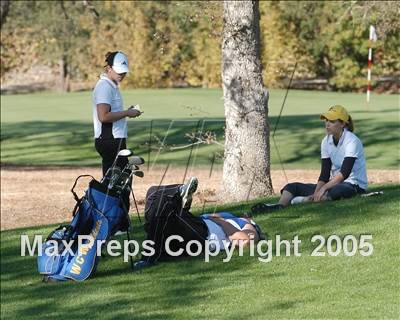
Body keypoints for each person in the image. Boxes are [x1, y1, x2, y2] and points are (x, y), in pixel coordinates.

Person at [252, 105, 368, 213]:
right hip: (332, 184)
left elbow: (344, 173)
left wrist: (324, 189)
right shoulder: (325, 141)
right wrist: (318, 190)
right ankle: (280, 206)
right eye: (326, 121)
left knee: (335, 192)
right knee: (291, 187)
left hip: (353, 185)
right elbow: (324, 174)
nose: (327, 124)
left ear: (342, 124)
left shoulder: (352, 141)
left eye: (332, 121)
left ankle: (300, 201)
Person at [134, 177, 265, 269]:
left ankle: (181, 194)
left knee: (160, 203)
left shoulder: (247, 223)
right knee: (154, 193)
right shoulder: (228, 216)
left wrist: (241, 221)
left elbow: (246, 241)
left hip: (204, 237)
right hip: (193, 225)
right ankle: (181, 198)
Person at [92, 51, 142, 176]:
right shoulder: (105, 86)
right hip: (109, 140)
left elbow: (112, 112)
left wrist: (128, 112)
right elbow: (103, 117)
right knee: (115, 182)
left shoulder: (111, 85)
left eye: (124, 71)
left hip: (114, 139)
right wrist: (126, 113)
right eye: (119, 71)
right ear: (109, 68)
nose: (122, 74)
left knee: (121, 180)